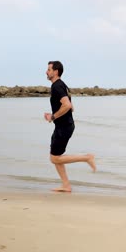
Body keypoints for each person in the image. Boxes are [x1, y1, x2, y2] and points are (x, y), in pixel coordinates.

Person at [44, 61, 96, 192]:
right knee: (56, 157)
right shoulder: (62, 86)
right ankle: (66, 185)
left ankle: (87, 157)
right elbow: (71, 107)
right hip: (64, 126)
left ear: (56, 71)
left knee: (55, 158)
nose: (46, 72)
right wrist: (54, 115)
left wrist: (53, 117)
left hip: (64, 127)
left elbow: (67, 106)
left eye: (49, 69)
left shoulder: (57, 86)